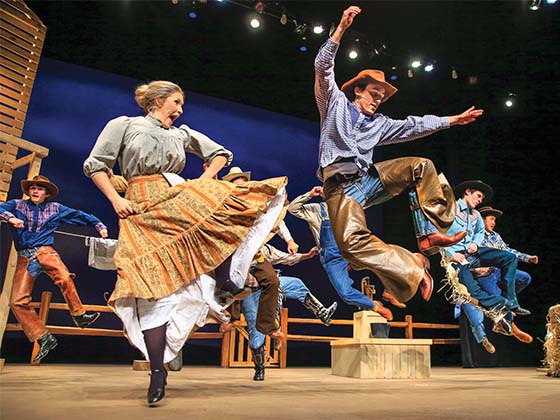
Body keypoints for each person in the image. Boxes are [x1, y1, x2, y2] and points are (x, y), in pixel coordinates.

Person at [83, 81, 287, 406]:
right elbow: (95, 166)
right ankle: (157, 372)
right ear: (159, 100)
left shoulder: (181, 133)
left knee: (226, 205)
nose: (180, 109)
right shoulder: (125, 125)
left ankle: (227, 280)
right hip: (140, 207)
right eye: (176, 102)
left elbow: (221, 153)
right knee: (151, 289)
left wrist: (202, 182)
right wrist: (114, 200)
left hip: (177, 199)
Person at [315, 6, 482, 305]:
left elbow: (413, 126)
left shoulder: (379, 124)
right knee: (351, 245)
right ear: (358, 91)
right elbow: (323, 66)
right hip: (341, 189)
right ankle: (411, 270)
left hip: (368, 180)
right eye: (374, 95)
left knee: (421, 166)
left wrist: (452, 120)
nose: (378, 102)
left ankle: (429, 234)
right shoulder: (334, 104)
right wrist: (340, 29)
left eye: (381, 98)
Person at [0, 175, 106, 362]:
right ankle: (43, 337)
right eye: (32, 187)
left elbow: (78, 215)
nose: (35, 190)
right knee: (17, 301)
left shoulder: (55, 208)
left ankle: (79, 315)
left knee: (64, 276)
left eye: (40, 188)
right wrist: (10, 219)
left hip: (45, 252)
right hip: (25, 257)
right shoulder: (17, 205)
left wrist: (99, 225)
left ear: (46, 193)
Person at [288, 185, 397, 320]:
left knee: (382, 259)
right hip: (332, 257)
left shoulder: (348, 204)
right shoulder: (317, 209)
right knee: (345, 293)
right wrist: (310, 194)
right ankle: (374, 306)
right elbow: (292, 209)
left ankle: (390, 291)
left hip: (351, 247)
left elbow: (372, 198)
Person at [237, 243, 337, 381]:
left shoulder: (265, 249)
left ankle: (322, 313)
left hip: (269, 286)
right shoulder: (238, 254)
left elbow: (285, 258)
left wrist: (307, 255)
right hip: (250, 292)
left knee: (295, 284)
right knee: (256, 330)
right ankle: (259, 368)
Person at [441, 180, 530, 325]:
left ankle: (512, 301)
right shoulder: (451, 209)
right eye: (478, 196)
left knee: (510, 258)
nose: (480, 200)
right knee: (474, 292)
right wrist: (451, 252)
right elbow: (436, 232)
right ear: (468, 192)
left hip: (474, 253)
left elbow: (480, 232)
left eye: (481, 198)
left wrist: (475, 243)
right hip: (459, 257)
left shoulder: (475, 215)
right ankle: (503, 304)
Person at [222, 166, 297, 339]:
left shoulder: (256, 202)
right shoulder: (227, 203)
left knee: (272, 281)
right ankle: (227, 318)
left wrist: (290, 240)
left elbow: (273, 221)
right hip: (233, 252)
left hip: (255, 253)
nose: (241, 187)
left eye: (243, 184)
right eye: (237, 184)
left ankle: (268, 326)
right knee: (231, 282)